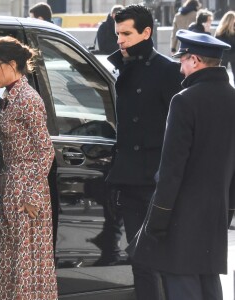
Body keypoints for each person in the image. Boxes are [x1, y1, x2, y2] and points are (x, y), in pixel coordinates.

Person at [129, 29, 234, 300]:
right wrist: (229, 210)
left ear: (195, 60)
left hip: (180, 216)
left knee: (181, 286)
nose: (180, 69)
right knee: (209, 286)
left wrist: (156, 222)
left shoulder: (185, 101)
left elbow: (172, 168)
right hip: (216, 214)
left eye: (183, 61)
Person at [106, 4, 184, 299]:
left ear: (147, 32)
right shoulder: (124, 71)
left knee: (157, 262)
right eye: (117, 34)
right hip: (128, 181)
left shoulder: (168, 71)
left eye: (126, 33)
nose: (120, 40)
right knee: (139, 261)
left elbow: (180, 134)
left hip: (155, 182)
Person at [0, 36, 58, 300]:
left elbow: (45, 150)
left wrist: (32, 197)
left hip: (27, 190)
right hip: (13, 185)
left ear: (12, 64)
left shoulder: (28, 99)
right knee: (10, 261)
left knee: (24, 265)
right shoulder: (11, 96)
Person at [215, 11, 235, 85]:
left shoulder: (219, 31)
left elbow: (216, 44)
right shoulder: (222, 31)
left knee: (221, 76)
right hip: (231, 55)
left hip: (223, 55)